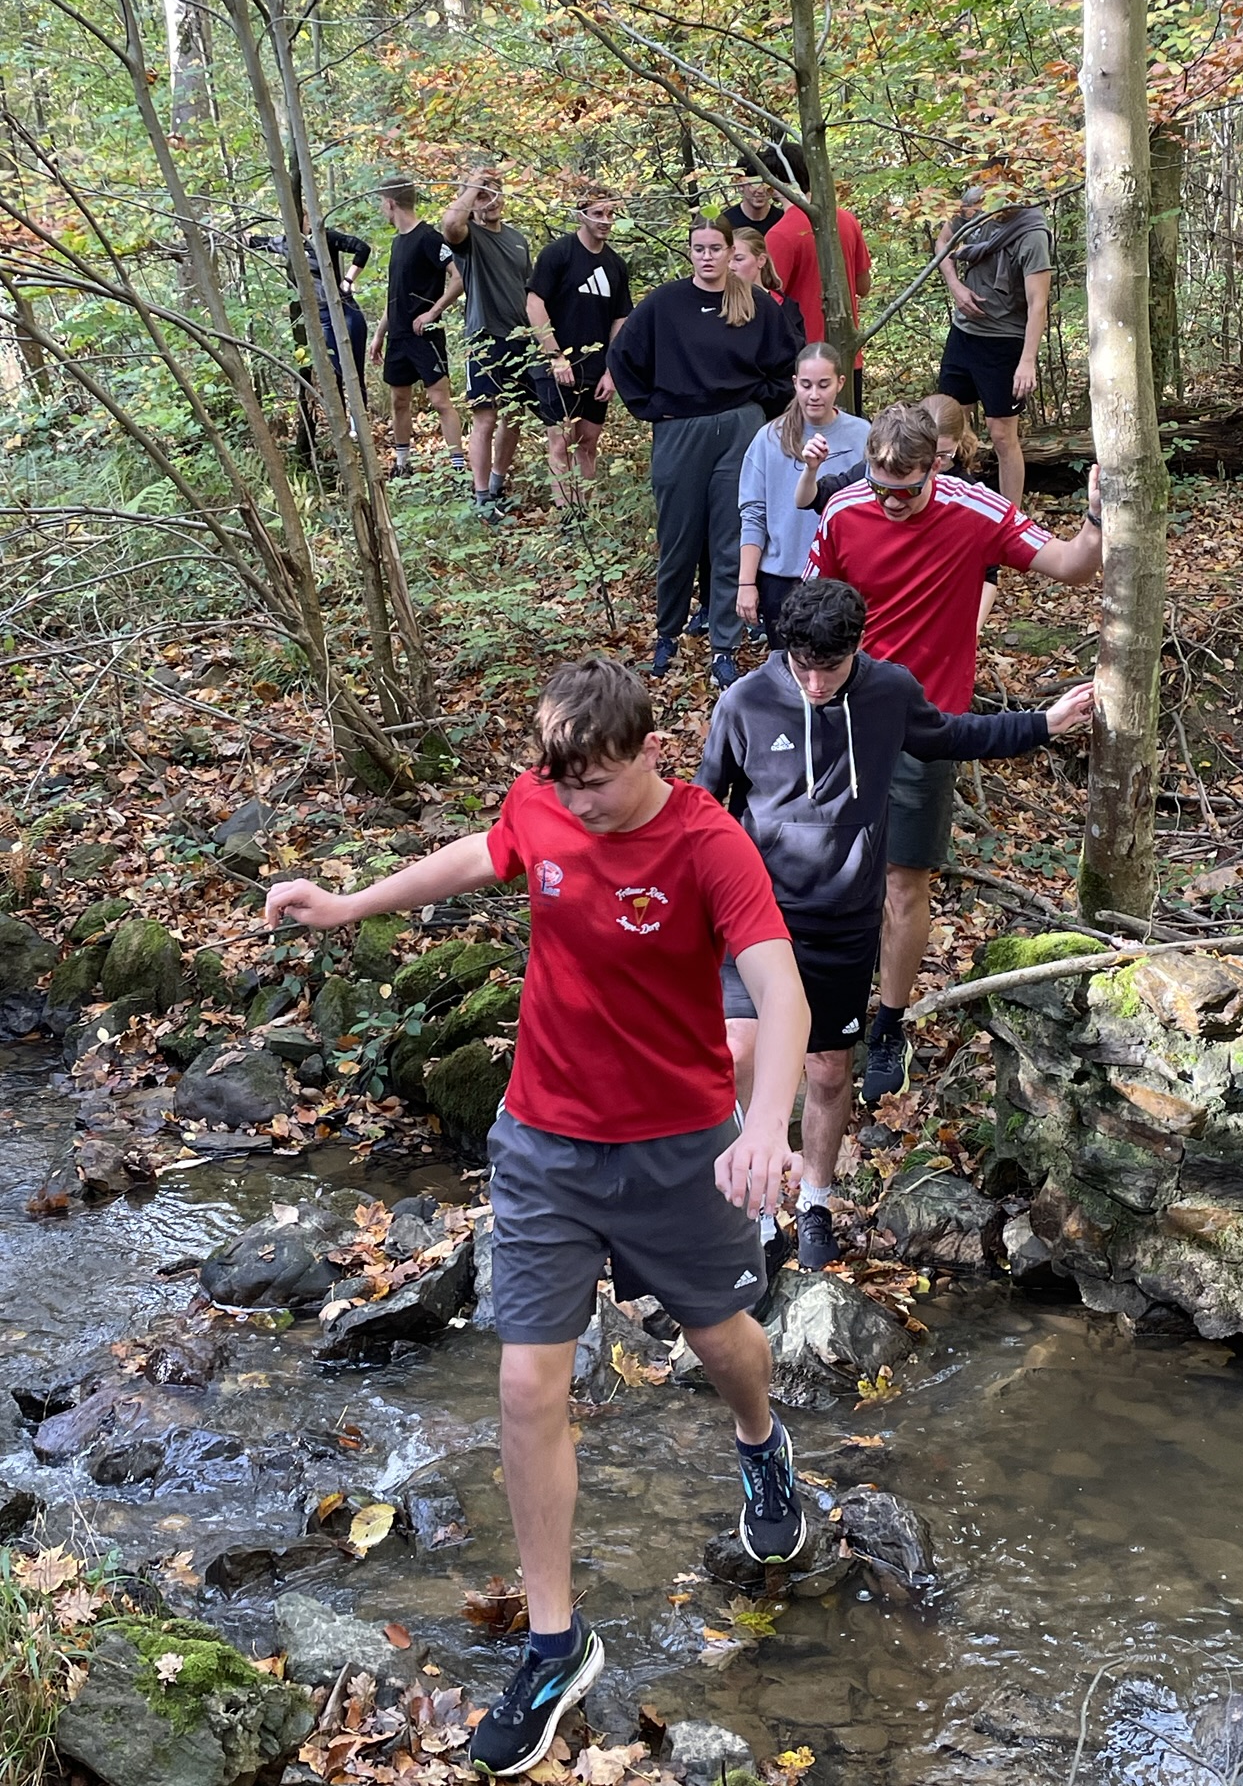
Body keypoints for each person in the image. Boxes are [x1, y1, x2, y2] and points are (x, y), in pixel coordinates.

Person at [264, 655, 812, 1779]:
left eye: (595, 783)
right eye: (561, 782)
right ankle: (558, 1644)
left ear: (648, 751)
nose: (576, 802)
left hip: (679, 1150)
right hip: (544, 1143)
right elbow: (483, 852)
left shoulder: (707, 844)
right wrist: (350, 904)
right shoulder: (544, 797)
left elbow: (782, 988)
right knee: (525, 1384)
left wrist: (766, 1124)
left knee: (722, 1344)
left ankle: (762, 1446)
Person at [699, 578, 1092, 1268]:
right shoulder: (746, 702)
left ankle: (814, 1202)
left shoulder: (889, 692)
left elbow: (953, 735)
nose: (816, 683)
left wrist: (1044, 723)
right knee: (740, 1054)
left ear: (857, 647)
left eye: (830, 667)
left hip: (845, 922)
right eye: (803, 666)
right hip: (759, 916)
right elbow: (706, 806)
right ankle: (756, 1212)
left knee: (827, 1070)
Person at [803, 402, 1102, 1105]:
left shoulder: (976, 510)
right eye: (881, 487)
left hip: (929, 724)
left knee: (904, 882)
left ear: (934, 468)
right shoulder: (844, 510)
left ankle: (889, 1024)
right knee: (829, 874)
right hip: (843, 716)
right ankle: (822, 1013)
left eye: (907, 490)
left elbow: (1072, 566)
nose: (892, 502)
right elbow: (815, 610)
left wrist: (1096, 515)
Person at [607, 214, 800, 690]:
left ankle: (724, 645)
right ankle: (667, 634)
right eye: (699, 248)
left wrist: (760, 406)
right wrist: (652, 407)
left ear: (730, 251)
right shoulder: (665, 304)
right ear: (690, 252)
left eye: (716, 248)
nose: (708, 256)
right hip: (680, 431)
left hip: (739, 429)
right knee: (678, 538)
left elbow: (787, 364)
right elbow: (622, 356)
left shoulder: (754, 303)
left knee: (732, 536)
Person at [736, 343, 868, 648]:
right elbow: (753, 515)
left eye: (824, 385)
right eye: (806, 385)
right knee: (788, 666)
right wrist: (746, 582)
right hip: (782, 577)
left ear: (840, 383)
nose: (814, 395)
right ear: (794, 383)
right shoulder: (769, 438)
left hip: (843, 576)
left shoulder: (863, 435)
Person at [936, 186, 1053, 506]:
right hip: (963, 334)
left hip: (1004, 341)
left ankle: (1010, 519)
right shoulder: (975, 208)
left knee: (1001, 435)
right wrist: (956, 286)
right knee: (949, 426)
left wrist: (1027, 361)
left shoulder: (1032, 234)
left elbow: (1038, 303)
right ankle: (950, 505)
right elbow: (943, 242)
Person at [524, 190, 633, 513]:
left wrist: (612, 370)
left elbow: (621, 317)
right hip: (555, 364)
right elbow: (534, 304)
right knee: (561, 440)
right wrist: (555, 356)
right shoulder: (557, 254)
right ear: (580, 215)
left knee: (588, 441)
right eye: (598, 214)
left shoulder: (615, 264)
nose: (605, 221)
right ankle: (569, 517)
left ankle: (587, 514)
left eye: (610, 214)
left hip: (597, 368)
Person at [439, 167, 537, 524]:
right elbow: (451, 224)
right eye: (483, 194)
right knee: (485, 417)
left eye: (495, 192)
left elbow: (529, 290)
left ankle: (497, 486)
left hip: (521, 339)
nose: (491, 200)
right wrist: (472, 186)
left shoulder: (517, 240)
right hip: (484, 338)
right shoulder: (469, 238)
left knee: (515, 416)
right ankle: (480, 496)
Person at [762, 140, 873, 415]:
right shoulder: (846, 221)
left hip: (805, 364)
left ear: (774, 183)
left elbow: (769, 305)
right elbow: (864, 286)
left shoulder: (780, 234)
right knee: (848, 432)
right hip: (847, 354)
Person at [369, 177, 466, 479]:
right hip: (398, 336)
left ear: (391, 203)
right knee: (399, 400)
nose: (381, 209)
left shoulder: (429, 238)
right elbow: (394, 294)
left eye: (381, 203)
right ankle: (402, 463)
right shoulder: (398, 242)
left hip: (425, 335)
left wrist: (433, 312)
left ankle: (458, 468)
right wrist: (379, 334)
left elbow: (459, 277)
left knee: (440, 401)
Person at [249, 213, 372, 410]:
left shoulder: (325, 238)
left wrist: (348, 280)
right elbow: (259, 242)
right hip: (323, 317)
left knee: (355, 374)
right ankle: (342, 422)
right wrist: (237, 236)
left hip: (345, 310)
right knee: (335, 375)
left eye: (303, 218)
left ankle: (360, 422)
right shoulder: (289, 243)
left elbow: (362, 248)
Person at [922, 393, 1000, 634]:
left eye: (943, 455)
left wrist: (971, 631)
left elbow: (989, 575)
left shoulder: (972, 495)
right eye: (927, 452)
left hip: (950, 613)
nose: (934, 463)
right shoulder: (893, 480)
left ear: (957, 443)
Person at [723, 151, 786, 235]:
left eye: (765, 184)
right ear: (740, 185)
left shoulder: (783, 220)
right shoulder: (725, 222)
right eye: (754, 184)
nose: (760, 191)